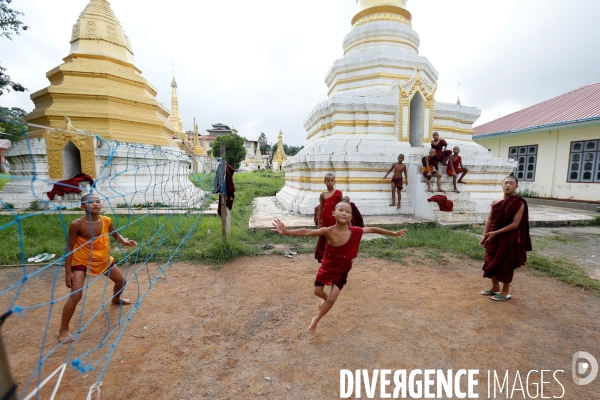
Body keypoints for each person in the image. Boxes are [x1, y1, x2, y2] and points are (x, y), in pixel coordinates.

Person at [272, 202, 408, 334]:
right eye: (341, 210)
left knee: (332, 299)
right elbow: (307, 232)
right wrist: (286, 232)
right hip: (327, 267)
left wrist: (393, 233)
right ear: (334, 213)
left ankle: (316, 319)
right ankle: (325, 299)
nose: (344, 213)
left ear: (351, 217)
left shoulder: (356, 231)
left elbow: (373, 229)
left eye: (348, 211)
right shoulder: (328, 231)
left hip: (342, 269)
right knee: (317, 292)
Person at [59, 194, 138, 344]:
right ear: (82, 207)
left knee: (121, 281)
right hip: (81, 260)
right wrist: (68, 272)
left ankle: (116, 299)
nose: (95, 204)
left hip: (102, 259)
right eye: (90, 202)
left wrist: (125, 241)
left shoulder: (106, 220)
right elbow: (69, 247)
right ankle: (63, 329)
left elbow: (114, 233)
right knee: (76, 295)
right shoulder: (76, 224)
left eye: (98, 201)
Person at [480, 173, 532, 301]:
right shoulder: (496, 201)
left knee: (505, 263)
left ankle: (505, 291)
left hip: (508, 237)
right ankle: (495, 287)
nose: (508, 185)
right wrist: (484, 234)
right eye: (506, 183)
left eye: (511, 183)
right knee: (490, 260)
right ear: (502, 185)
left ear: (516, 186)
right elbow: (490, 219)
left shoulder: (519, 203)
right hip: (493, 236)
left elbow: (515, 224)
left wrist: (496, 233)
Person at [315, 173, 343, 263]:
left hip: (335, 220)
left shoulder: (339, 193)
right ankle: (323, 258)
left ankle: (336, 257)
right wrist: (319, 222)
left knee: (335, 238)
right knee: (323, 239)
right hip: (326, 220)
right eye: (328, 181)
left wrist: (343, 220)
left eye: (332, 181)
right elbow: (320, 209)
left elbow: (342, 207)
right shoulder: (323, 195)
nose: (330, 182)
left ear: (334, 182)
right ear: (325, 182)